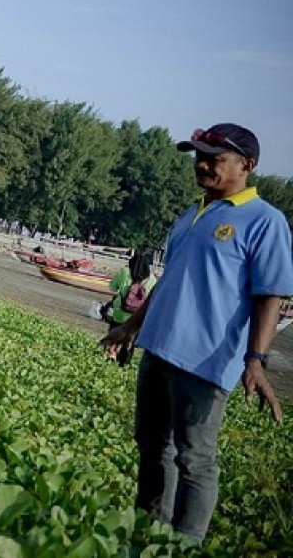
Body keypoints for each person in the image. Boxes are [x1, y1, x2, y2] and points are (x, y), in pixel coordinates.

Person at [100, 123, 293, 544]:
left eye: (214, 159)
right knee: (153, 447)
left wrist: (256, 360)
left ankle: (184, 546)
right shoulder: (193, 212)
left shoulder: (266, 220)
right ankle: (150, 535)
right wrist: (130, 326)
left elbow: (270, 296)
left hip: (205, 360)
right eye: (198, 157)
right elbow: (170, 279)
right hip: (158, 349)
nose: (202, 165)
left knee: (195, 459)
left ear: (246, 165)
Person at [100, 248, 158, 330]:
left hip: (119, 316)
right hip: (138, 319)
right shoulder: (152, 279)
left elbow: (112, 288)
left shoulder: (124, 272)